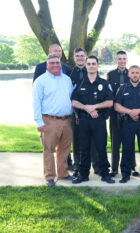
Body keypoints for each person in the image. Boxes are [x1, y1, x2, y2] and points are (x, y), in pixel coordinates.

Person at [71, 56, 115, 184]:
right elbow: (74, 101)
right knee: (84, 148)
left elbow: (110, 102)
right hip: (84, 121)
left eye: (93, 63)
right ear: (85, 66)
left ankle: (105, 174)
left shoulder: (104, 83)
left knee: (101, 147)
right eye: (88, 63)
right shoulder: (79, 84)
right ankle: (83, 174)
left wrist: (94, 107)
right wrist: (87, 108)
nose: (91, 66)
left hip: (99, 120)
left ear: (97, 66)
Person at [32, 54, 74, 186]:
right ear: (47, 65)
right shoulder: (41, 81)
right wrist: (39, 121)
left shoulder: (67, 79)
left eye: (57, 63)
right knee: (49, 149)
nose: (56, 65)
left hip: (67, 120)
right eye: (52, 63)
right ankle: (49, 176)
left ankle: (63, 173)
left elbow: (72, 98)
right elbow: (36, 102)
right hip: (49, 121)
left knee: (64, 149)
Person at [114, 65, 140, 183]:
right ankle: (125, 174)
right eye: (132, 72)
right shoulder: (122, 89)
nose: (135, 74)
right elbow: (117, 106)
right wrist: (130, 112)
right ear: (129, 74)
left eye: (137, 72)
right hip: (128, 123)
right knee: (127, 149)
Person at [69, 48, 100, 177]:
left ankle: (97, 166)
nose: (80, 58)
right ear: (74, 58)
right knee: (76, 141)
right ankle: (77, 166)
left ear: (86, 57)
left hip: (93, 112)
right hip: (77, 113)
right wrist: (76, 113)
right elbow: (72, 96)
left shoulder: (95, 73)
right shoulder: (70, 74)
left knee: (94, 141)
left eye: (82, 56)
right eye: (77, 56)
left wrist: (95, 109)